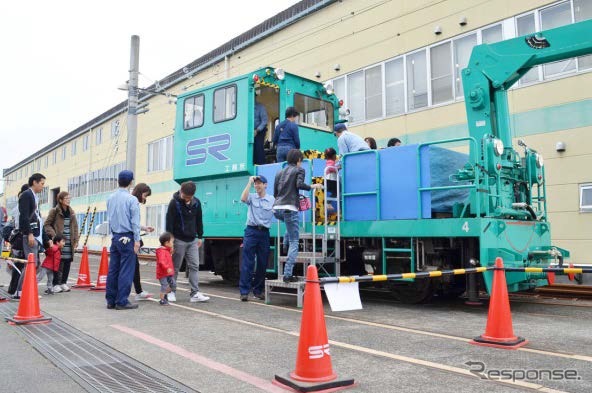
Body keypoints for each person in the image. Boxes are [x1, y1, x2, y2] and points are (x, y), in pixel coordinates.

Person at [273, 149, 323, 282]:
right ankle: (287, 274)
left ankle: (285, 241)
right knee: (295, 241)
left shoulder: (279, 172)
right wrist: (313, 186)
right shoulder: (299, 170)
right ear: (299, 160)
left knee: (289, 226)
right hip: (290, 207)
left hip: (277, 208)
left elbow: (275, 192)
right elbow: (299, 184)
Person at [165, 181, 210, 303]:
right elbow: (169, 223)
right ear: (181, 191)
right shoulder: (174, 203)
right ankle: (171, 292)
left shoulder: (196, 203)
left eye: (188, 197)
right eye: (184, 196)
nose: (185, 199)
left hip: (192, 240)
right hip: (178, 240)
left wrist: (200, 236)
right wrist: (170, 241)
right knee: (175, 267)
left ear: (193, 195)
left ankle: (195, 293)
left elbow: (199, 220)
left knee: (194, 266)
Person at [105, 170, 141, 310]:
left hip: (115, 237)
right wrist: (137, 240)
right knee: (126, 270)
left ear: (118, 181)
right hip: (128, 237)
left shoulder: (110, 198)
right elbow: (134, 222)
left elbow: (111, 218)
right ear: (131, 182)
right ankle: (122, 301)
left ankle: (111, 300)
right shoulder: (132, 199)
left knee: (113, 269)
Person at [239, 175, 275, 301]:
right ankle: (244, 292)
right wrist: (249, 182)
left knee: (262, 263)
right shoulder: (251, 197)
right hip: (251, 231)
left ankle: (258, 291)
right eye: (256, 183)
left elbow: (278, 211)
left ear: (265, 185)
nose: (257, 185)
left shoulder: (272, 199)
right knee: (248, 262)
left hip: (264, 233)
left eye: (259, 183)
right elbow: (243, 198)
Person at [15, 174, 46, 299]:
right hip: (30, 235)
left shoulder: (33, 196)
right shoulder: (27, 195)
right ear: (34, 182)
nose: (43, 186)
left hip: (35, 234)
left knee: (33, 263)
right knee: (31, 263)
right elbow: (24, 216)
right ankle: (22, 291)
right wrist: (29, 233)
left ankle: (24, 291)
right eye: (42, 183)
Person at [44, 191, 79, 293]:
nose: (68, 200)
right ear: (60, 200)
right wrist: (54, 235)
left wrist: (76, 240)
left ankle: (63, 282)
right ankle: (55, 284)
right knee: (58, 262)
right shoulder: (54, 211)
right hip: (59, 242)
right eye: (66, 198)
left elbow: (75, 227)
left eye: (69, 198)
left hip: (69, 241)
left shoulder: (71, 212)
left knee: (67, 261)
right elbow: (47, 225)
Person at [131, 183, 154, 301]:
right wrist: (136, 240)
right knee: (130, 266)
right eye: (145, 195)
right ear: (140, 193)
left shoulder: (131, 201)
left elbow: (133, 223)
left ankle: (139, 291)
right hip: (130, 239)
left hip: (126, 238)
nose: (145, 198)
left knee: (133, 266)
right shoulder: (133, 202)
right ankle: (137, 292)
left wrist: (144, 228)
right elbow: (133, 224)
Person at [7, 184, 29, 297]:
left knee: (20, 264)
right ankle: (17, 290)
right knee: (20, 264)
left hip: (19, 238)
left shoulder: (19, 207)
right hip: (21, 238)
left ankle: (15, 289)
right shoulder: (22, 207)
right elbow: (22, 223)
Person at [156, 232, 176, 306]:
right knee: (164, 285)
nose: (173, 244)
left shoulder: (166, 250)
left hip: (168, 273)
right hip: (163, 273)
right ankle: (162, 299)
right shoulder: (161, 251)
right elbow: (161, 261)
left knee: (173, 284)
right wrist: (167, 268)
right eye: (172, 242)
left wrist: (170, 250)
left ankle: (165, 296)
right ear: (166, 243)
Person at [253, 90, 268, 165]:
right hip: (250, 132)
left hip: (259, 131)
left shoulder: (260, 107)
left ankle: (261, 164)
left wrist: (257, 130)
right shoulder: (246, 108)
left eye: (254, 96)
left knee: (258, 147)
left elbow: (264, 121)